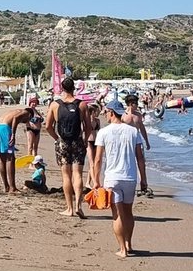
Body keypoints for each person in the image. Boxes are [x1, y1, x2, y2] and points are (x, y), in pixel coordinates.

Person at [93, 99, 147, 258]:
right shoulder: (132, 131)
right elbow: (140, 158)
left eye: (106, 112)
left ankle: (122, 249)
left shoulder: (104, 132)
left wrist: (96, 180)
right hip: (130, 177)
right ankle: (129, 244)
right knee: (129, 212)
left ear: (111, 112)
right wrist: (143, 179)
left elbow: (97, 159)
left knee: (117, 214)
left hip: (112, 178)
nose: (105, 114)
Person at [45, 77, 88, 217]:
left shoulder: (54, 105)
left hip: (63, 142)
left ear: (62, 88)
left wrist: (57, 139)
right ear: (73, 88)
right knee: (78, 174)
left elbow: (48, 126)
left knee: (66, 175)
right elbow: (87, 127)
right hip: (77, 141)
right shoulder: (82, 105)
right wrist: (85, 140)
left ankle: (69, 208)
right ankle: (78, 206)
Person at [0, 103, 35, 193]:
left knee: (2, 159)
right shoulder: (25, 112)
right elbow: (15, 119)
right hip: (4, 130)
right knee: (10, 158)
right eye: (28, 120)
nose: (26, 122)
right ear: (30, 115)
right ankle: (12, 188)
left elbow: (3, 119)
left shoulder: (12, 111)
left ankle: (6, 186)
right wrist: (13, 135)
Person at [122, 93, 154, 197]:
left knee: (141, 162)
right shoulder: (123, 115)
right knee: (127, 162)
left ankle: (143, 183)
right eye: (135, 103)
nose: (137, 105)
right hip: (126, 141)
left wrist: (147, 141)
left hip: (137, 140)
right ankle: (126, 183)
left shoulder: (138, 115)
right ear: (130, 104)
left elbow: (142, 128)